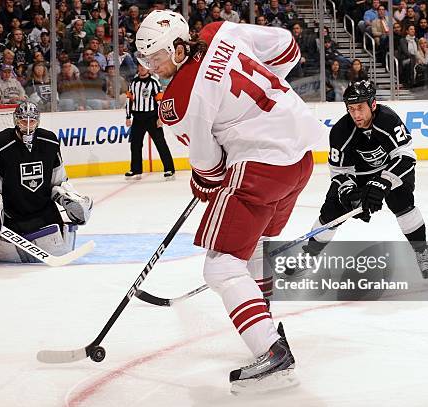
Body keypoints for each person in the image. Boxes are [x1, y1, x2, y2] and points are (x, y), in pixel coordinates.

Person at [135, 10, 324, 391]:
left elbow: (210, 165)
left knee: (220, 268)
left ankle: (272, 353)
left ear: (176, 47)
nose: (151, 67)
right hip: (300, 157)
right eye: (145, 59)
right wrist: (258, 104)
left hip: (261, 167)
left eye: (155, 57)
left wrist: (204, 184)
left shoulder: (175, 99)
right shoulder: (220, 31)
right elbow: (286, 48)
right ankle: (265, 324)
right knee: (252, 246)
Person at [302, 80, 428, 280]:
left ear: (372, 104)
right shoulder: (340, 131)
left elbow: (406, 157)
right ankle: (308, 255)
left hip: (391, 169)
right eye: (351, 108)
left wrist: (383, 182)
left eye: (360, 108)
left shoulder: (388, 120)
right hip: (358, 176)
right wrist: (347, 192)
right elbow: (339, 172)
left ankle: (421, 251)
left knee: (403, 204)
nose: (356, 114)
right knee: (332, 212)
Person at [0, 102, 93, 263]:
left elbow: (58, 182)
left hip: (45, 214)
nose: (28, 126)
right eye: (23, 121)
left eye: (32, 121)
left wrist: (69, 199)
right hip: (13, 217)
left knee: (62, 239)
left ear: (38, 121)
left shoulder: (49, 141)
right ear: (16, 121)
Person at [124, 64, 175, 180]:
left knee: (160, 143)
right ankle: (135, 169)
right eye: (140, 67)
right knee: (135, 145)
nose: (142, 69)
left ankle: (169, 169)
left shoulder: (154, 82)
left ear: (148, 68)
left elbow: (160, 100)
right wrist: (128, 116)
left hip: (152, 118)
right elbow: (129, 100)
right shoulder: (133, 83)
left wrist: (160, 117)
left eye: (144, 67)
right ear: (137, 68)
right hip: (137, 118)